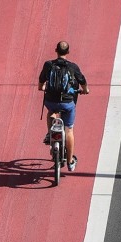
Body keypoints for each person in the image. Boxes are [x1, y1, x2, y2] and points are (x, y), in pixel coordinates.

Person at [38, 41, 88, 171]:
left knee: (51, 112)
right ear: (68, 52)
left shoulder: (48, 65)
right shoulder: (73, 67)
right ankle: (70, 162)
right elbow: (82, 81)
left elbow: (41, 82)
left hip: (51, 101)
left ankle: (50, 134)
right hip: (67, 103)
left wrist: (42, 87)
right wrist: (85, 90)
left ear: (56, 50)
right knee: (69, 129)